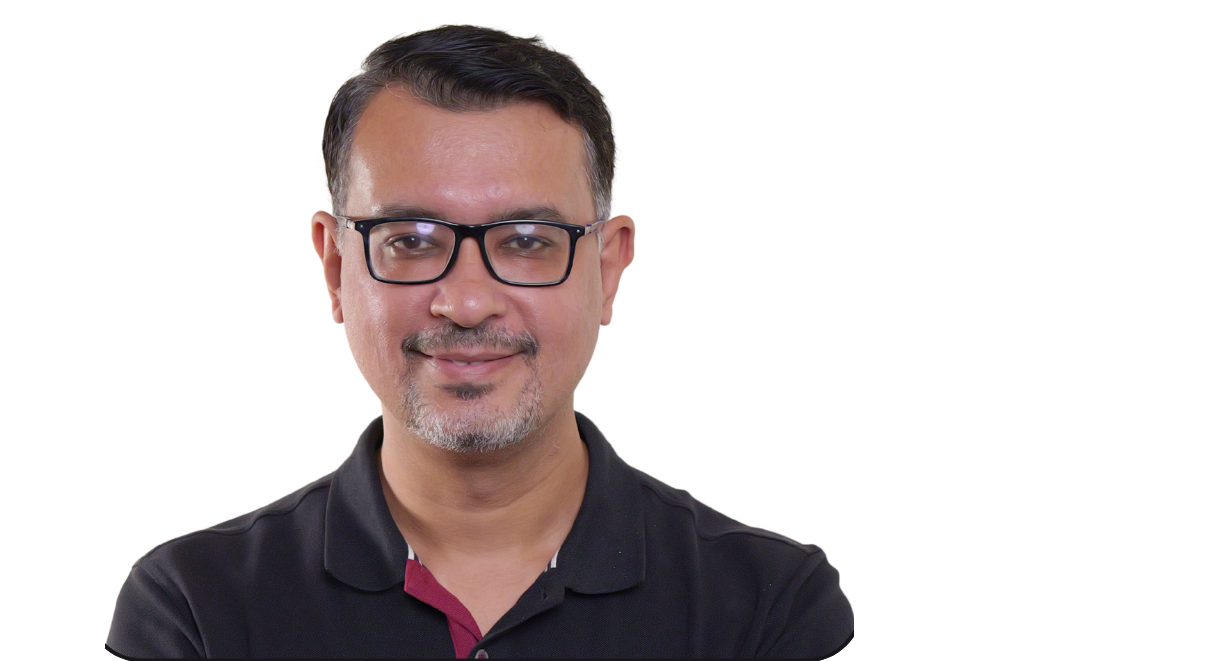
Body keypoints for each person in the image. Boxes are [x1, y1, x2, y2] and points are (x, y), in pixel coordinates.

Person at [106, 24, 853, 659]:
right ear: (335, 268)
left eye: (526, 240)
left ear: (607, 269)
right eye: (409, 240)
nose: (466, 302)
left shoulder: (767, 608)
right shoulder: (198, 610)